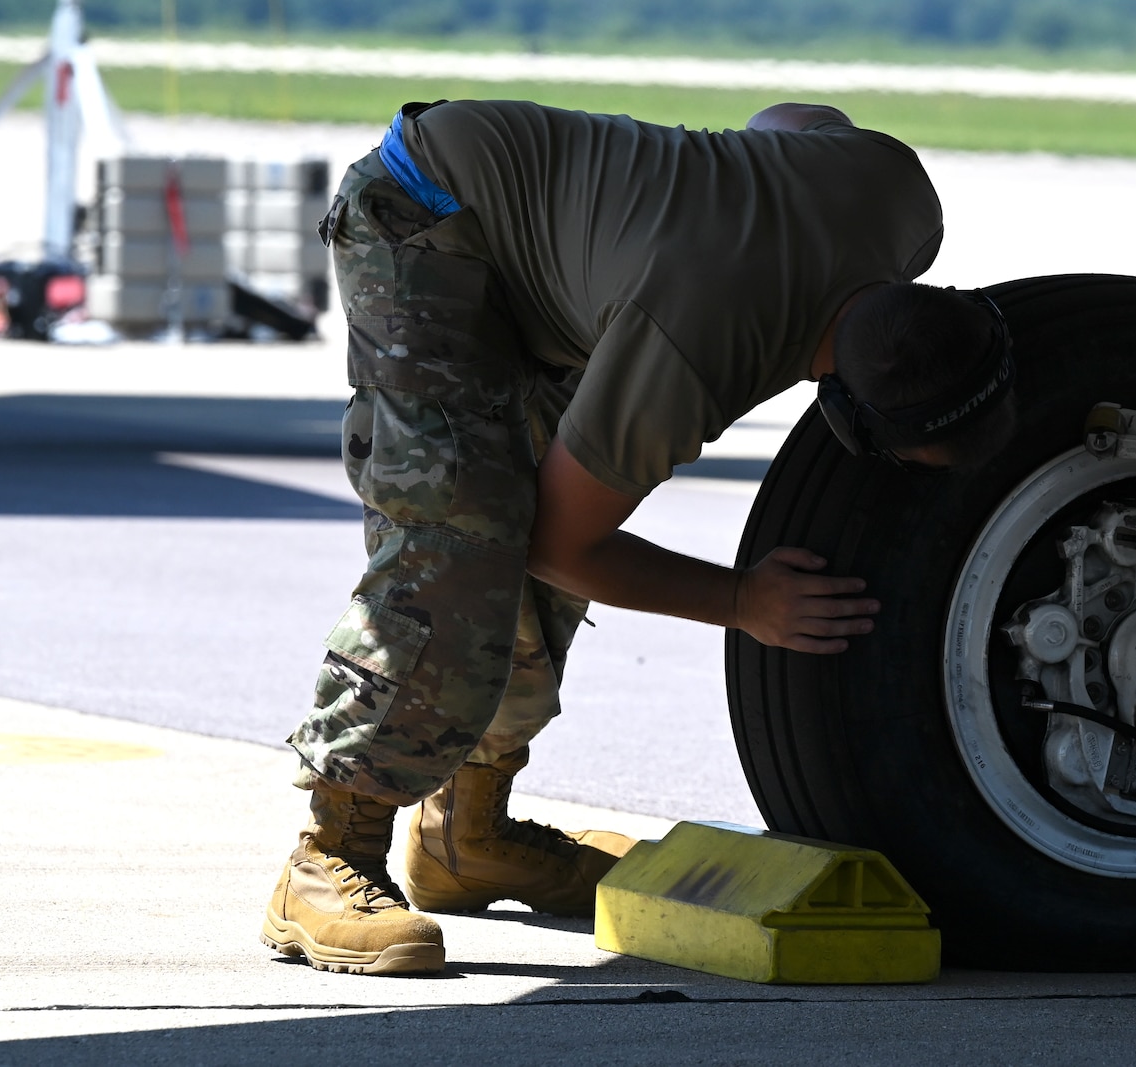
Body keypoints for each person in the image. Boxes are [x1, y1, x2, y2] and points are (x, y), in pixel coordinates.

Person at [262, 98, 1016, 976]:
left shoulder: (896, 195)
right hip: (427, 209)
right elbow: (563, 548)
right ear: (842, 413)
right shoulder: (693, 350)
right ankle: (328, 854)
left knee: (542, 501)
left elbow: (788, 121)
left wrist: (686, 204)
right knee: (464, 537)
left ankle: (470, 834)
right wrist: (741, 600)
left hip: (561, 247)